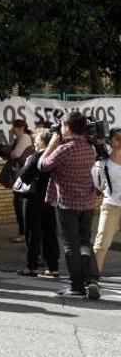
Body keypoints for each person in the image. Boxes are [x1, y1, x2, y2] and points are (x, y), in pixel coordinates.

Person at [39, 111, 101, 299]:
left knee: (71, 245)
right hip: (87, 202)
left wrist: (49, 146)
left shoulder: (64, 149)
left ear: (67, 127)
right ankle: (90, 280)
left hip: (67, 203)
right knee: (84, 243)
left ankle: (76, 286)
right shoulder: (90, 147)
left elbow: (42, 166)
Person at [15, 129, 60, 278]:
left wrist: (26, 164)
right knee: (50, 233)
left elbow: (24, 176)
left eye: (37, 139)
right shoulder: (56, 156)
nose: (34, 141)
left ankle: (31, 266)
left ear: (44, 142)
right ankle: (53, 267)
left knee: (32, 233)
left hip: (33, 199)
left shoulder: (36, 157)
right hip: (50, 199)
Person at [92, 127, 121, 273]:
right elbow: (97, 187)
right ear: (110, 141)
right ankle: (93, 278)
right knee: (101, 244)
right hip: (111, 206)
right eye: (118, 138)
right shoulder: (103, 164)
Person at [5, 119, 35, 243]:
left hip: (23, 177)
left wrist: (10, 152)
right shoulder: (19, 138)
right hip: (19, 176)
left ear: (21, 127)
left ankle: (24, 233)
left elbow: (15, 154)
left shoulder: (24, 138)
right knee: (18, 204)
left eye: (14, 127)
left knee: (19, 205)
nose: (12, 129)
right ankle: (23, 232)